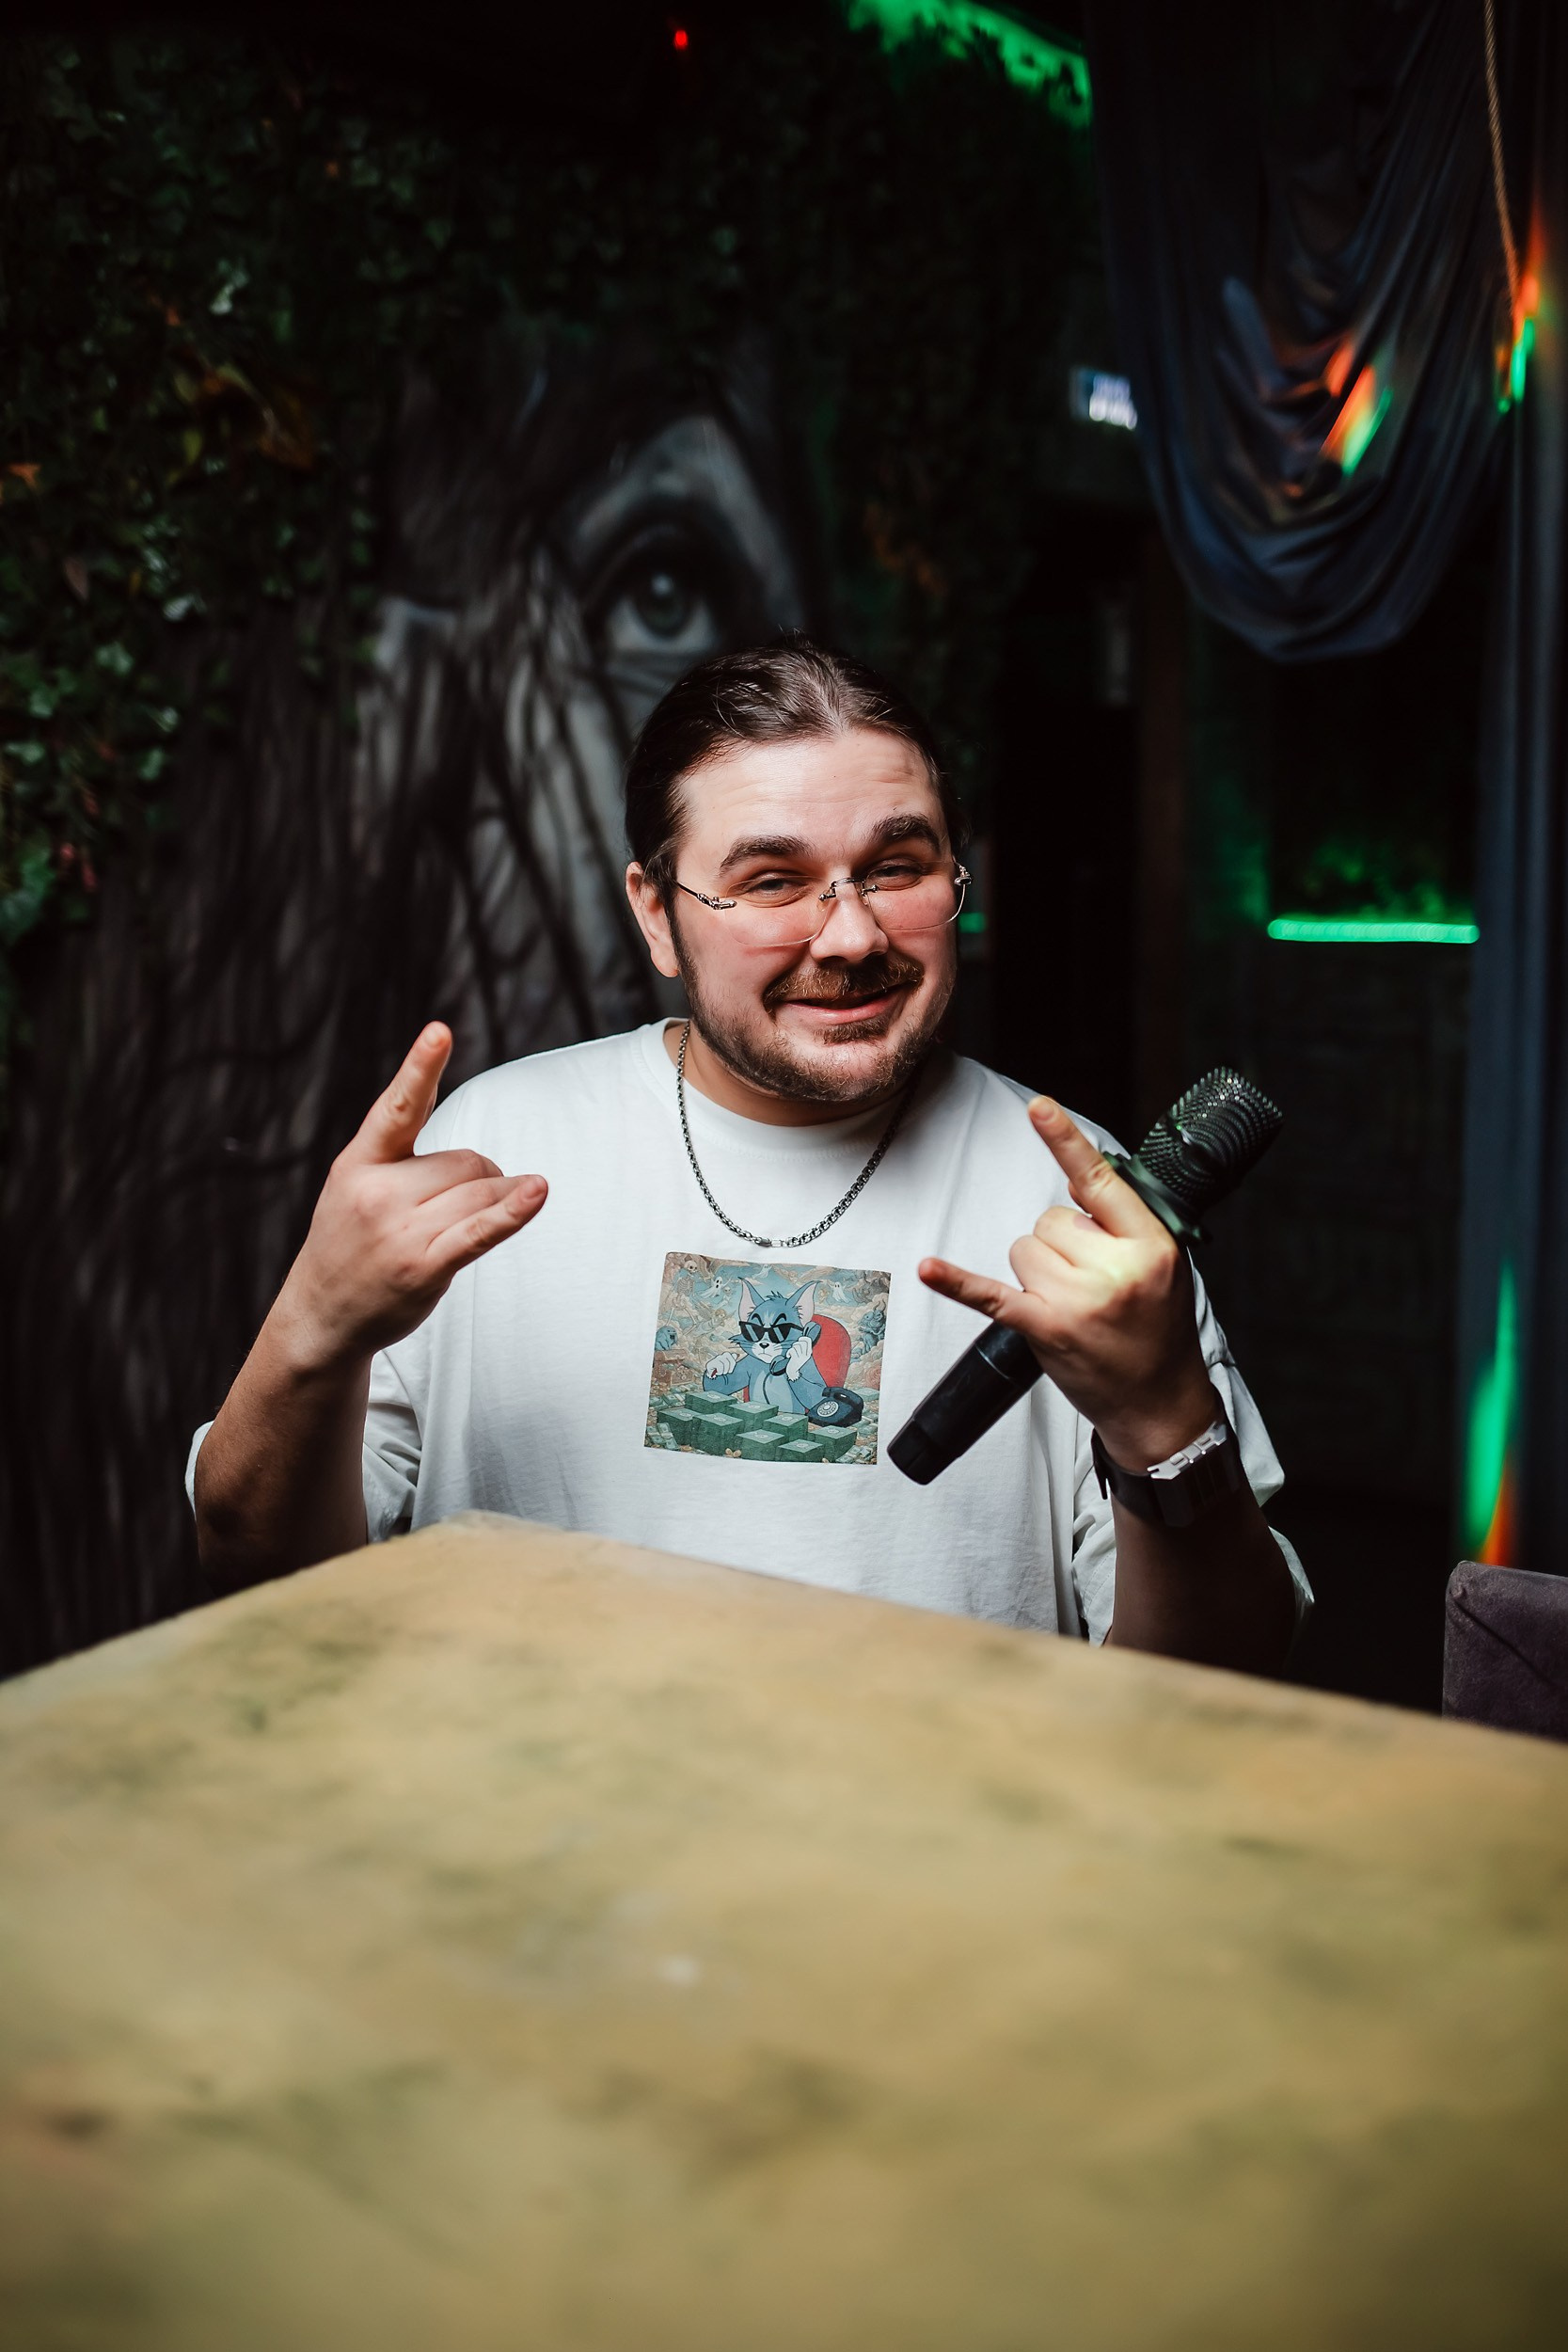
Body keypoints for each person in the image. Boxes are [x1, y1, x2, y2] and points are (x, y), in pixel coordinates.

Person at [192, 637, 1308, 1669]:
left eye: (897, 866)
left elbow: (1232, 1680)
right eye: (772, 880)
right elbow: (258, 1568)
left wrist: (1160, 1416)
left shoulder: (1076, 1202)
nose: (851, 935)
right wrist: (310, 1326)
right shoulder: (491, 1148)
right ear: (656, 915)